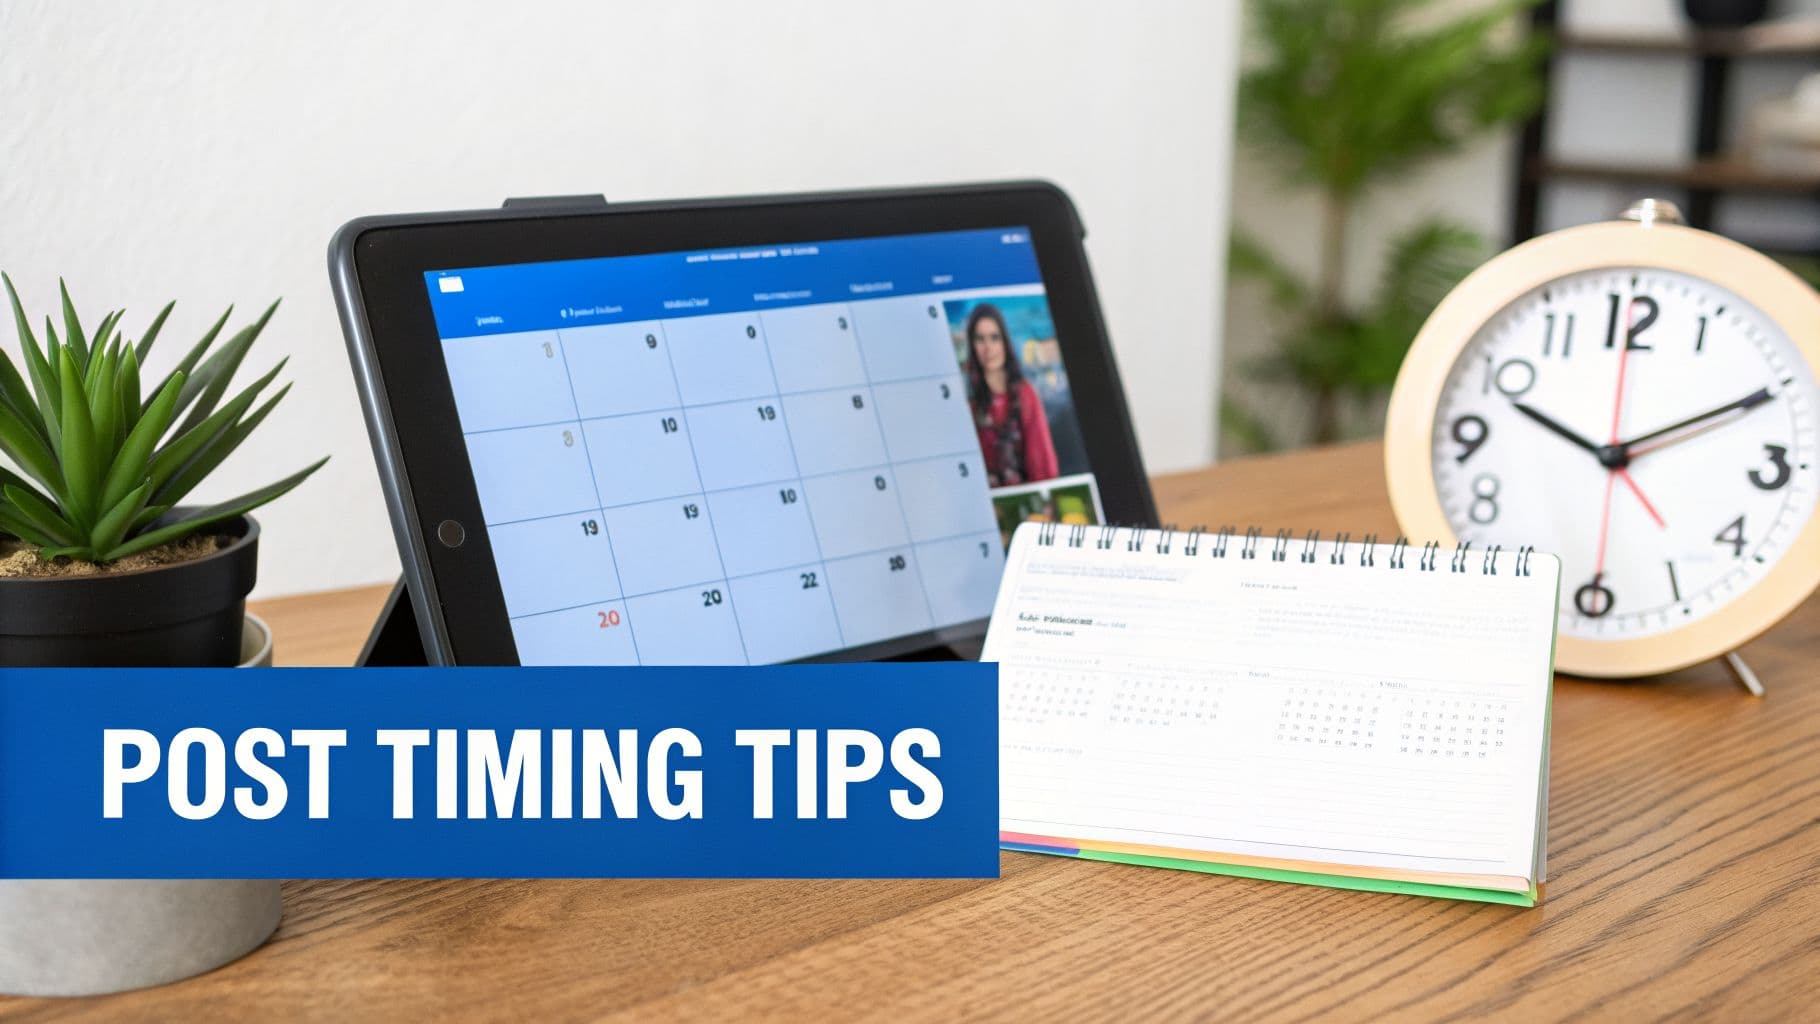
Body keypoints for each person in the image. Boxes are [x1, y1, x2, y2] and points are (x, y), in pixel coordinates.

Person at [964, 303, 1058, 486]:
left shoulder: (1024, 393)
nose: (988, 348)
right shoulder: (970, 403)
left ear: (1004, 342)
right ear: (972, 346)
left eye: (994, 338)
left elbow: (1042, 462)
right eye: (980, 339)